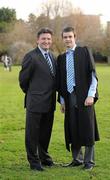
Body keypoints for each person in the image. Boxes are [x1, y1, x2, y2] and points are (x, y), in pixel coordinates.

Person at [57, 27, 100, 170]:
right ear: (62, 39)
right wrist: (62, 101)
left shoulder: (84, 51)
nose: (68, 39)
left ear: (75, 37)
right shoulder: (61, 58)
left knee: (87, 128)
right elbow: (60, 82)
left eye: (70, 36)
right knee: (72, 127)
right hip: (69, 97)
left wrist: (91, 95)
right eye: (65, 37)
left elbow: (92, 74)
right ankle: (77, 159)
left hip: (84, 95)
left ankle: (89, 162)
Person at [19, 28, 56, 171]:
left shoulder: (52, 56)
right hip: (35, 103)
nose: (46, 41)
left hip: (50, 103)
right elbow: (23, 80)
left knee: (45, 133)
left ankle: (44, 157)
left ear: (51, 40)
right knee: (32, 134)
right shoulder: (31, 56)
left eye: (48, 39)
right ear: (37, 40)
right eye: (43, 39)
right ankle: (34, 162)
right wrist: (33, 94)